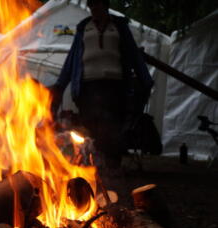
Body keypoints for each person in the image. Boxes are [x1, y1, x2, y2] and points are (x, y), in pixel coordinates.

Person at [49, 0, 154, 168]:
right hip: (88, 87)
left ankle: (112, 165)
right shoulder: (84, 28)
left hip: (114, 86)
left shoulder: (119, 26)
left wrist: (145, 79)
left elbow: (133, 53)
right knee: (90, 125)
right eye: (91, 6)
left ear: (105, 6)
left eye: (96, 5)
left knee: (112, 125)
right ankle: (93, 165)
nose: (93, 9)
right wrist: (60, 84)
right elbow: (72, 58)